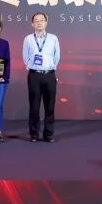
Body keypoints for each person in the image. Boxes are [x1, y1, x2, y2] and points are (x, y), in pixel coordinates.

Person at [22, 11, 61, 142]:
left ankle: (48, 134)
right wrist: (33, 66)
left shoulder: (53, 38)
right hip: (34, 75)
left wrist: (50, 67)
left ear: (46, 22)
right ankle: (34, 134)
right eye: (36, 21)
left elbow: (57, 56)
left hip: (49, 75)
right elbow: (25, 56)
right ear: (32, 24)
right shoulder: (28, 39)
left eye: (42, 20)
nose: (39, 23)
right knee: (34, 106)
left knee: (50, 106)